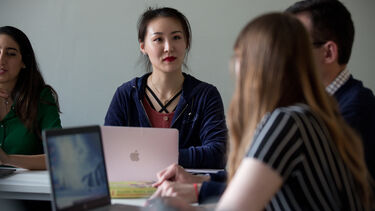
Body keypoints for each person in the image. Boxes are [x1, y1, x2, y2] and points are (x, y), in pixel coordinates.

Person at [149, 13, 373, 210]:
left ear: (258, 64)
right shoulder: (313, 116)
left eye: (239, 56)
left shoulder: (287, 122)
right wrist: (199, 181)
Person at [104, 7, 227, 169]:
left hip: (187, 190)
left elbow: (217, 154)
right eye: (158, 39)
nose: (169, 47)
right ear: (143, 46)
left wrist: (150, 156)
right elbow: (108, 152)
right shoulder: (126, 94)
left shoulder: (206, 95)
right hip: (133, 190)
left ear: (187, 42)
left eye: (176, 37)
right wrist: (176, 156)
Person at [286, 0, 375, 181]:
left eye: (295, 45)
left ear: (328, 53)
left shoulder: (354, 111)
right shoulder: (313, 103)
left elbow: (297, 183)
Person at [0, 26, 61, 170]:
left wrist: (7, 159)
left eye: (11, 54)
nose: (1, 59)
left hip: (26, 189)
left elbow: (58, 156)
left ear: (24, 62)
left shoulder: (41, 97)